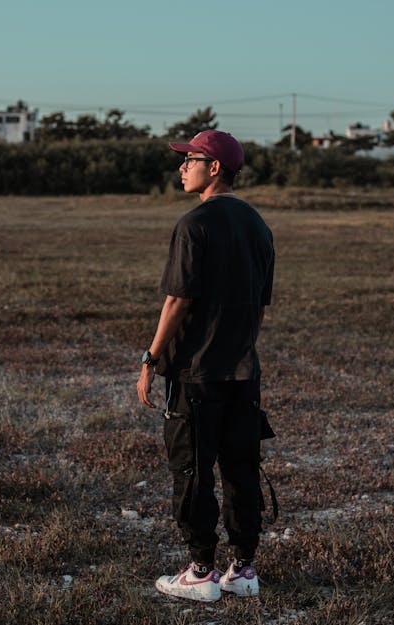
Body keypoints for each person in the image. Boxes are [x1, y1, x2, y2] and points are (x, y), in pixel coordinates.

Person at [136, 130, 275, 602]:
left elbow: (178, 299)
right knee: (241, 469)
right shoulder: (259, 226)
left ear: (214, 167)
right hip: (243, 373)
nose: (182, 167)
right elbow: (258, 306)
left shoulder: (194, 225)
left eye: (189, 159)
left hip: (196, 375)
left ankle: (200, 573)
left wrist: (151, 359)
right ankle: (243, 569)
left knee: (192, 470)